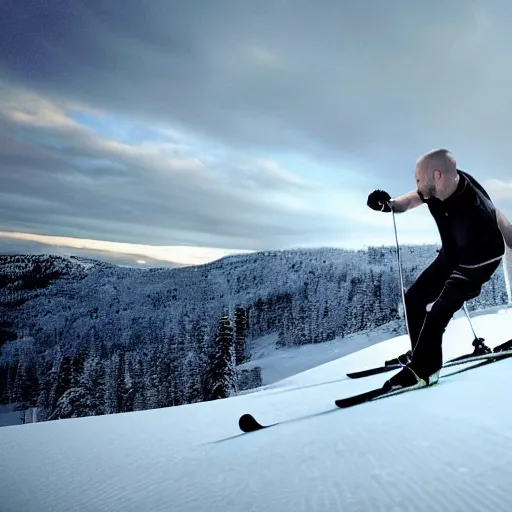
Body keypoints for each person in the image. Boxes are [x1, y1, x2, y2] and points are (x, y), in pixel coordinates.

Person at [367, 148, 506, 392]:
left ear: (437, 176)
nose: (417, 184)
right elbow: (417, 196)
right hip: (452, 254)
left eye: (418, 179)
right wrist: (390, 205)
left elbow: (490, 240)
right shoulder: (440, 183)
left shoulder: (474, 214)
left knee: (439, 312)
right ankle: (420, 350)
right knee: (415, 299)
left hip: (479, 259)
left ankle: (425, 370)